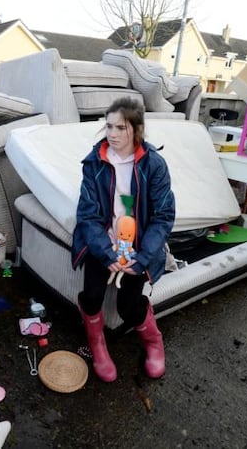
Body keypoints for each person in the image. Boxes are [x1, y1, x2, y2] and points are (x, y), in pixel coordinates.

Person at [71, 97, 175, 382]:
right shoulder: (95, 163)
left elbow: (164, 216)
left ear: (137, 129)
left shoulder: (154, 165)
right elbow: (87, 215)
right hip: (102, 243)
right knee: (92, 297)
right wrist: (106, 253)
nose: (112, 134)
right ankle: (97, 344)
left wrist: (142, 258)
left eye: (120, 128)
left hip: (138, 247)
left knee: (128, 306)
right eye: (109, 127)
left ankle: (154, 342)